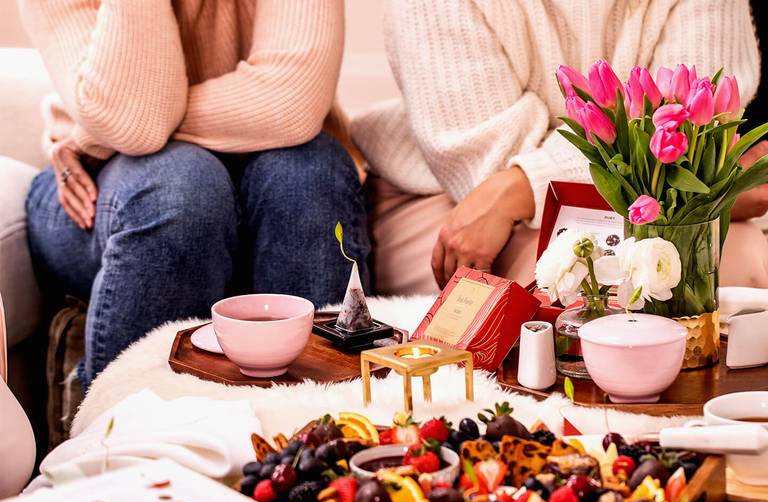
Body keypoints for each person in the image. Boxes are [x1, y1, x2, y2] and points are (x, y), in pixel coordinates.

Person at [21, 0, 369, 389]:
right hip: (103, 186)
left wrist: (97, 133)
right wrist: (125, 124)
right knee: (182, 189)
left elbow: (293, 101)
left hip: (271, 164)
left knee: (306, 175)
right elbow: (138, 122)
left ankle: (318, 430)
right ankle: (131, 435)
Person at [352, 0, 768, 295]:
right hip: (451, 206)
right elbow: (486, 166)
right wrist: (515, 187)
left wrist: (520, 184)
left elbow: (691, 127)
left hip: (641, 203)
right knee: (589, 290)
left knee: (741, 263)